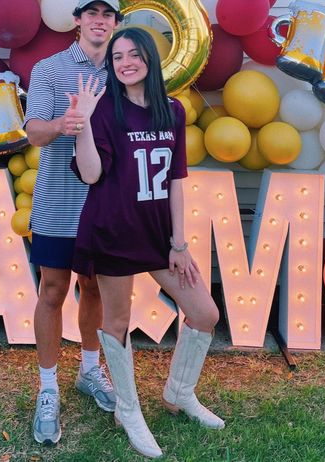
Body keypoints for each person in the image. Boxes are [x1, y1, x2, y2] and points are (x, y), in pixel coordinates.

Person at [69, 27, 225, 459]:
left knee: (204, 312)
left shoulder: (171, 110)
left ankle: (179, 393)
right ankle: (128, 409)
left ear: (149, 60)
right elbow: (91, 175)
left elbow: (176, 179)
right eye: (117, 57)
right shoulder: (106, 110)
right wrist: (82, 123)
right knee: (117, 322)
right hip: (114, 230)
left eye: (133, 55)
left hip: (158, 235)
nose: (125, 63)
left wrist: (179, 242)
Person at [24, 0, 124, 445]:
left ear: (116, 24)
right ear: (77, 20)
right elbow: (33, 133)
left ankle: (89, 371)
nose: (100, 20)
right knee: (53, 289)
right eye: (92, 13)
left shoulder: (128, 68)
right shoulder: (49, 69)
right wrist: (65, 123)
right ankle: (47, 389)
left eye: (108, 14)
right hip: (58, 204)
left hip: (107, 204)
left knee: (95, 287)